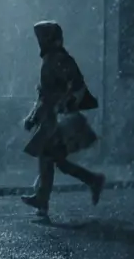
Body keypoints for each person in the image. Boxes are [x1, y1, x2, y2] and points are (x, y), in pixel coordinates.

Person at [21, 20, 106, 215]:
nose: (39, 41)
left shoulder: (59, 59)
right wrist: (34, 116)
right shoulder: (51, 59)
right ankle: (92, 180)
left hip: (59, 119)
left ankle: (42, 199)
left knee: (47, 156)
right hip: (52, 117)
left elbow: (76, 86)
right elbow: (44, 93)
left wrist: (63, 104)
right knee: (55, 160)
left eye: (42, 37)